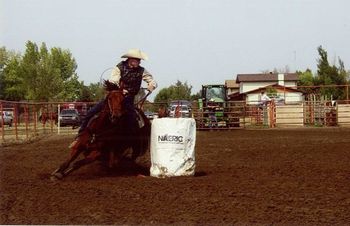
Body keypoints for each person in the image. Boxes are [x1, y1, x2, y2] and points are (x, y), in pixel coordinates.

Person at [78, 49, 157, 135]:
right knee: (91, 112)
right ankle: (81, 133)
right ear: (131, 59)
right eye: (138, 60)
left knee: (132, 117)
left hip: (129, 99)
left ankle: (131, 138)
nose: (139, 62)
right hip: (115, 97)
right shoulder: (119, 67)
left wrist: (151, 85)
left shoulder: (142, 70)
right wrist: (120, 89)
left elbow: (152, 80)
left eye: (139, 60)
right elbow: (113, 81)